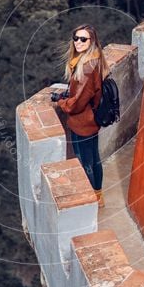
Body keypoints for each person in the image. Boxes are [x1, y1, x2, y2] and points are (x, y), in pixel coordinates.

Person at [51, 24, 110, 207]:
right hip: (91, 120)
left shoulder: (86, 68)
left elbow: (76, 105)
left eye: (83, 39)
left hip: (82, 122)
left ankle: (93, 200)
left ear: (92, 41)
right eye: (76, 38)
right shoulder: (95, 59)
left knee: (86, 162)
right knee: (94, 158)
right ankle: (98, 195)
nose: (78, 42)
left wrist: (61, 102)